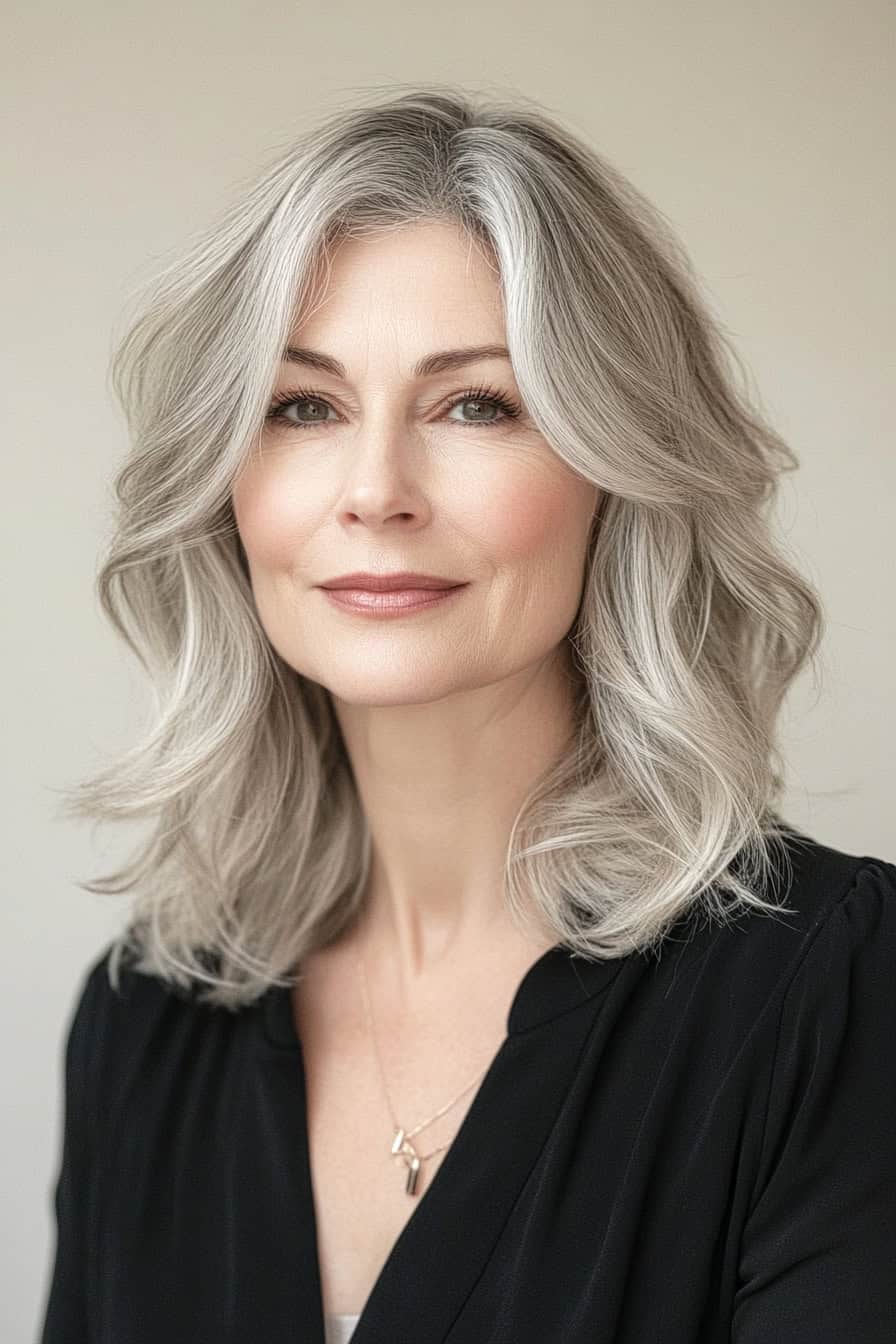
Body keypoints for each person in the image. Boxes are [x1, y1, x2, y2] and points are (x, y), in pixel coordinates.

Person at [39, 85, 896, 1344]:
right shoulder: (147, 1017)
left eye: (474, 404)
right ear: (227, 487)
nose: (375, 489)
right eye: (303, 406)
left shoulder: (828, 987)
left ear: (618, 469)